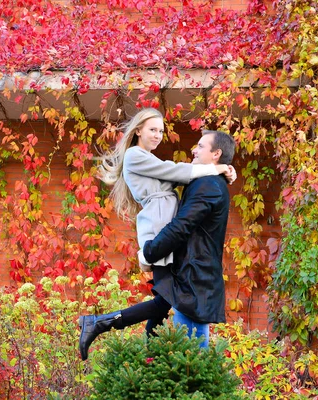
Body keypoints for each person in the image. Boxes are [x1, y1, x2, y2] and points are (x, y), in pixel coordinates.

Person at [78, 109, 235, 360]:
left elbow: (176, 173)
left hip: (164, 226)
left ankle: (135, 349)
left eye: (161, 131)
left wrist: (223, 170)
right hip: (159, 228)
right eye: (153, 129)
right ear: (138, 130)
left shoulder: (148, 160)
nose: (158, 135)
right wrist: (220, 168)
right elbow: (176, 171)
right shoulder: (134, 155)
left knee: (163, 302)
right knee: (164, 299)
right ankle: (101, 325)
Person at [140, 130, 236, 347]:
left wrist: (150, 251)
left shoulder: (209, 185)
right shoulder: (208, 181)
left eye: (201, 146)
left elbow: (181, 226)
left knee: (192, 361)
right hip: (192, 277)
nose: (194, 149)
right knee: (177, 345)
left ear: (216, 153)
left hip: (194, 280)